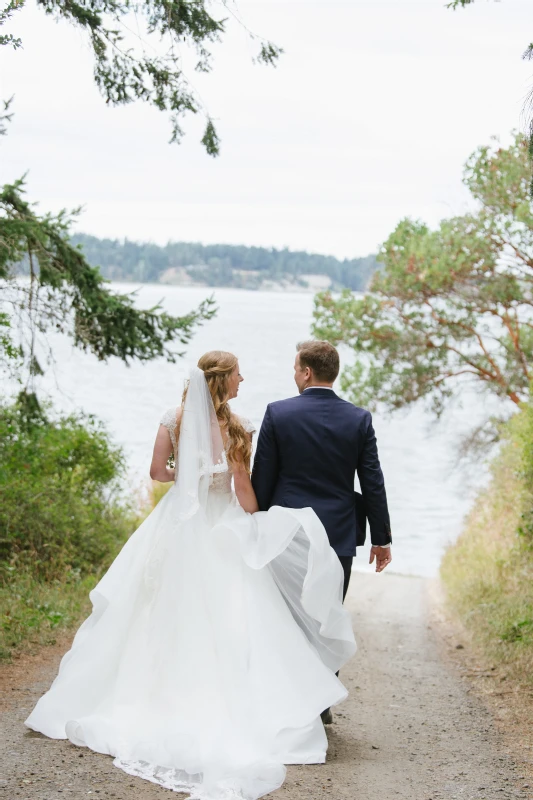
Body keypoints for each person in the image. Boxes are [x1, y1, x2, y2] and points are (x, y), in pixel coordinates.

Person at [25, 350, 356, 800]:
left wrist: (189, 475)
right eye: (239, 373)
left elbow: (157, 471)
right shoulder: (237, 428)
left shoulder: (172, 419)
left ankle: (152, 690)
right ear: (223, 380)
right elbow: (243, 488)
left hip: (178, 525)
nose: (244, 379)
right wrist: (256, 522)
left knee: (158, 607)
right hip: (221, 526)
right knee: (232, 611)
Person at [251, 340, 392, 723]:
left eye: (295, 368)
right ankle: (320, 702)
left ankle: (289, 698)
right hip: (338, 533)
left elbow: (262, 479)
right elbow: (372, 482)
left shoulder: (278, 413)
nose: (293, 374)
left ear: (307, 372)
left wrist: (256, 526)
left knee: (288, 614)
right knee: (327, 613)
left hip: (287, 531)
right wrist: (381, 538)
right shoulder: (359, 419)